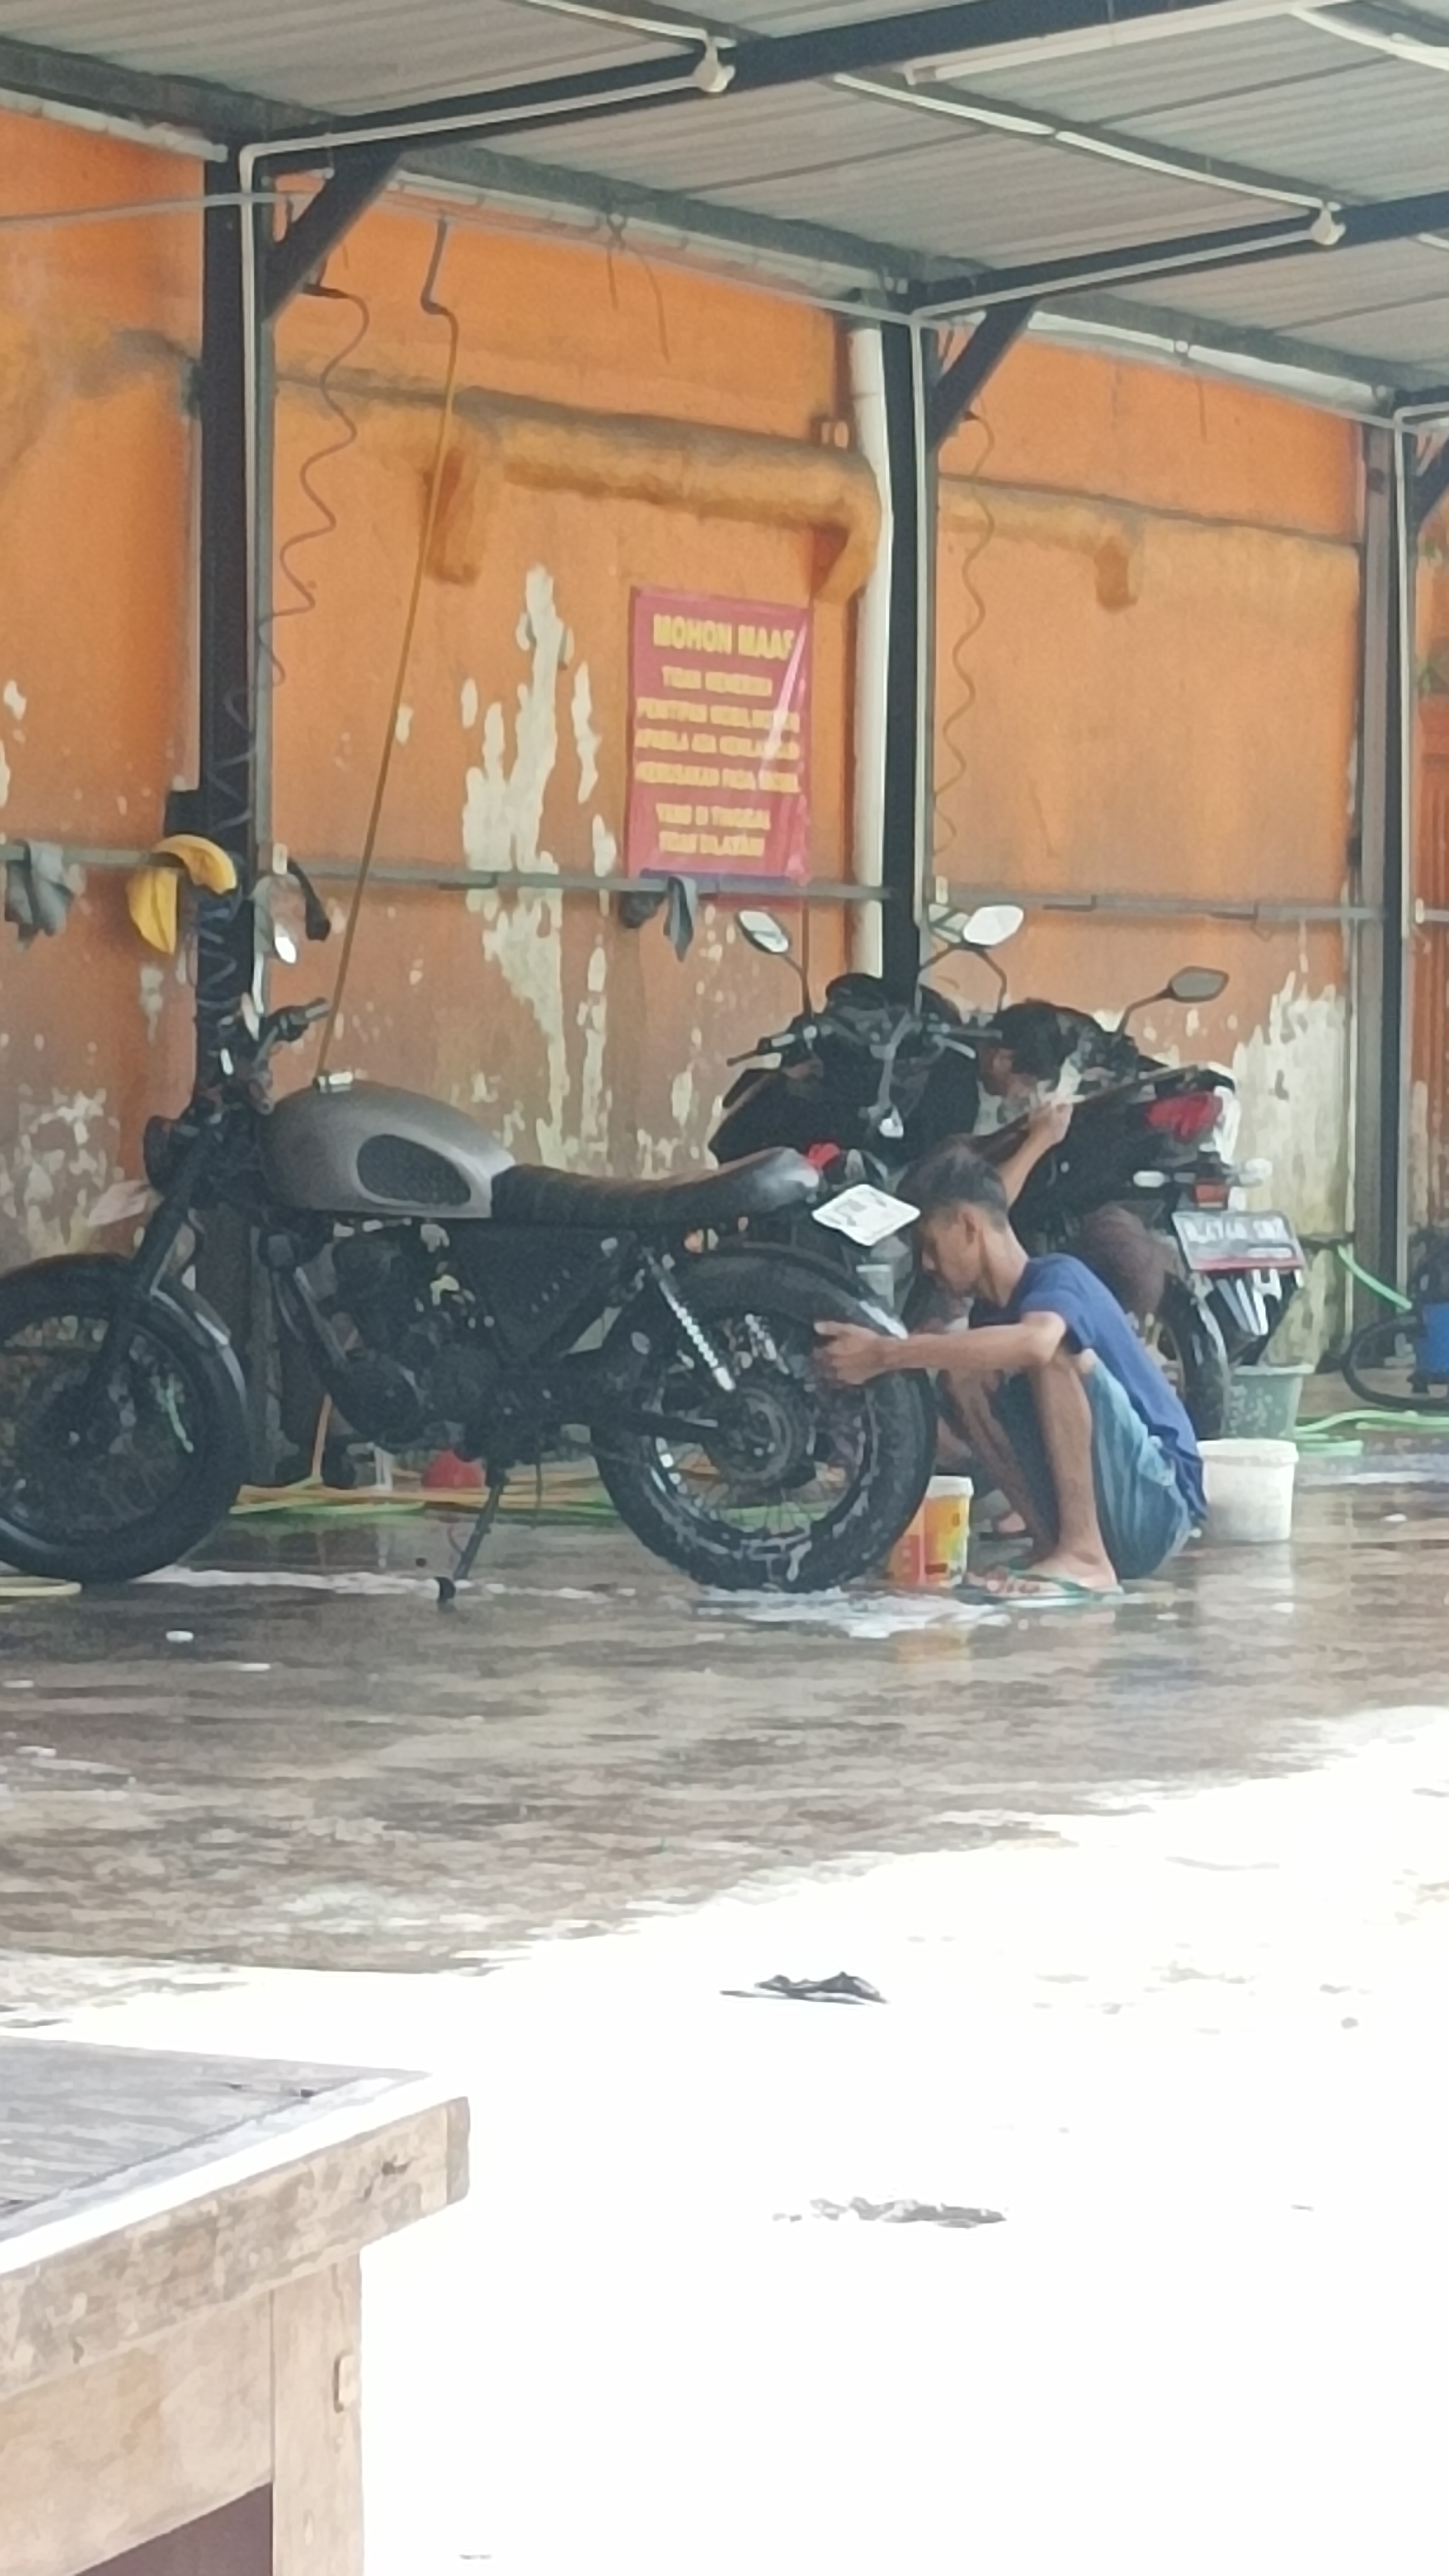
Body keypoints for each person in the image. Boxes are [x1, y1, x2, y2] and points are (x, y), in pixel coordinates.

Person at [816, 1139, 1204, 1604]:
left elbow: (1038, 1344)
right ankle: (1052, 1546)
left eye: (930, 1245)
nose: (926, 1265)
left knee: (1050, 1352)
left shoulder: (1057, 1277)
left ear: (968, 1226)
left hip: (1160, 1502)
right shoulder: (987, 1318)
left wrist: (886, 1354)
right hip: (1115, 1518)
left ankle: (1084, 1556)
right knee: (964, 1375)